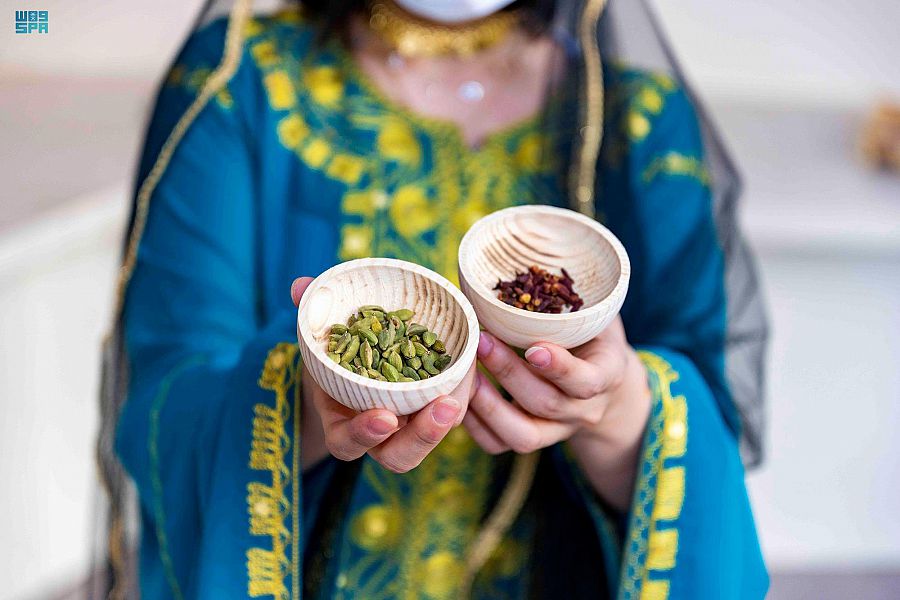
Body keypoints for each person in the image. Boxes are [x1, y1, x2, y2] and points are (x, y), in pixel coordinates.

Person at [97, 0, 769, 597]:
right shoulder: (238, 79)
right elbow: (160, 407)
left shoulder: (635, 115)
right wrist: (301, 396)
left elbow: (709, 431)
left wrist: (612, 409)